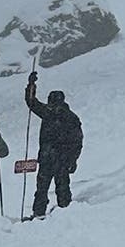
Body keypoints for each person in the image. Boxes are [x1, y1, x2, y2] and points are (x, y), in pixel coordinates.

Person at [24, 72, 85, 216]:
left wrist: (31, 85)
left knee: (43, 188)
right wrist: (73, 160)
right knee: (61, 187)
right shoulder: (70, 117)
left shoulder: (48, 112)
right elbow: (78, 142)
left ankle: (39, 214)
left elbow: (31, 102)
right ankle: (65, 212)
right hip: (61, 160)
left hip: (49, 158)